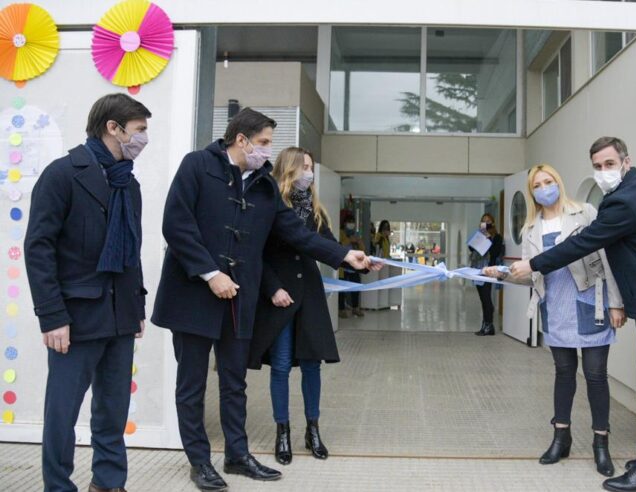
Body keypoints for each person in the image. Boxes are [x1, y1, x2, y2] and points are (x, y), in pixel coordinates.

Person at [150, 108, 374, 491]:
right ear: (242, 140)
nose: (267, 151)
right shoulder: (197, 166)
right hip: (193, 295)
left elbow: (293, 232)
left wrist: (341, 255)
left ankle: (237, 455)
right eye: (265, 142)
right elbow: (176, 223)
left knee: (234, 381)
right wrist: (211, 272)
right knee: (191, 384)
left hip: (240, 299)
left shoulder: (264, 185)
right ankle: (199, 461)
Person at [510, 137, 636, 492]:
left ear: (626, 162)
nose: (603, 171)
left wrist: (533, 263)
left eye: (610, 164)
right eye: (597, 165)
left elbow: (585, 244)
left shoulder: (625, 201)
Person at [25, 93, 151, 492]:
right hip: (74, 318)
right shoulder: (62, 174)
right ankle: (58, 486)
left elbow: (132, 250)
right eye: (140, 130)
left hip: (119, 315)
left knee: (112, 411)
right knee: (62, 413)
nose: (144, 139)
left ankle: (109, 482)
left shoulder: (129, 184)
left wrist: (137, 306)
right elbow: (38, 248)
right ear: (112, 127)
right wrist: (52, 316)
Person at [483, 164, 625, 477]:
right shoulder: (530, 228)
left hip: (592, 303)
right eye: (537, 185)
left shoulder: (585, 213)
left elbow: (606, 257)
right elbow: (530, 274)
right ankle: (562, 437)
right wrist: (502, 273)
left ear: (558, 183)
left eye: (548, 182)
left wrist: (617, 302)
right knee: (563, 372)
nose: (544, 188)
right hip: (556, 307)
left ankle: (601, 444)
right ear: (532, 192)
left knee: (596, 374)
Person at [250, 147, 351, 466]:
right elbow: (258, 254)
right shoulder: (269, 205)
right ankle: (283, 431)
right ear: (290, 168)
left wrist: (359, 262)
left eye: (311, 167)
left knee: (311, 363)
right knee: (280, 365)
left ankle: (313, 430)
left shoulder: (316, 210)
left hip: (309, 295)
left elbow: (329, 247)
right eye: (304, 167)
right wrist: (273, 288)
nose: (310, 173)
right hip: (280, 297)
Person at [469, 213, 504, 336]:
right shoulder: (480, 234)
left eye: (488, 220)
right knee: (483, 299)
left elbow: (495, 252)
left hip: (488, 270)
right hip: (477, 269)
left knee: (486, 299)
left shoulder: (497, 237)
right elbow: (471, 248)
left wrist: (488, 238)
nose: (486, 223)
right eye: (483, 221)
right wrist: (480, 235)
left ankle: (488, 325)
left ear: (492, 222)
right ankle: (487, 326)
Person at [338, 213, 365, 318]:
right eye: (349, 222)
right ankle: (341, 309)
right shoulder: (340, 232)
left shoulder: (355, 234)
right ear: (344, 223)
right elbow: (339, 245)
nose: (351, 224)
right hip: (343, 265)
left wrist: (358, 241)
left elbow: (362, 249)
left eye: (352, 222)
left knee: (356, 287)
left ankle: (355, 308)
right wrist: (349, 240)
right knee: (341, 289)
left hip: (354, 266)